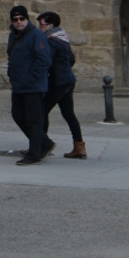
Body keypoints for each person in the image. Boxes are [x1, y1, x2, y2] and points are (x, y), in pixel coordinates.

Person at [6, 3, 55, 161]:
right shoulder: (13, 35)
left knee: (34, 119)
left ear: (27, 19)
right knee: (18, 115)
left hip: (33, 86)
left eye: (22, 18)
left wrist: (31, 77)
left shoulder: (36, 35)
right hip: (18, 85)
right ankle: (44, 143)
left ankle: (35, 153)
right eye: (15, 19)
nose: (19, 22)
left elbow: (44, 59)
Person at [38, 11, 86, 158]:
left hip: (58, 82)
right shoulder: (62, 38)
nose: (39, 27)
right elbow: (71, 59)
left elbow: (46, 60)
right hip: (68, 80)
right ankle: (79, 147)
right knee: (69, 114)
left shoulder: (51, 41)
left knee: (41, 111)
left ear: (50, 25)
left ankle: (41, 145)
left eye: (41, 25)